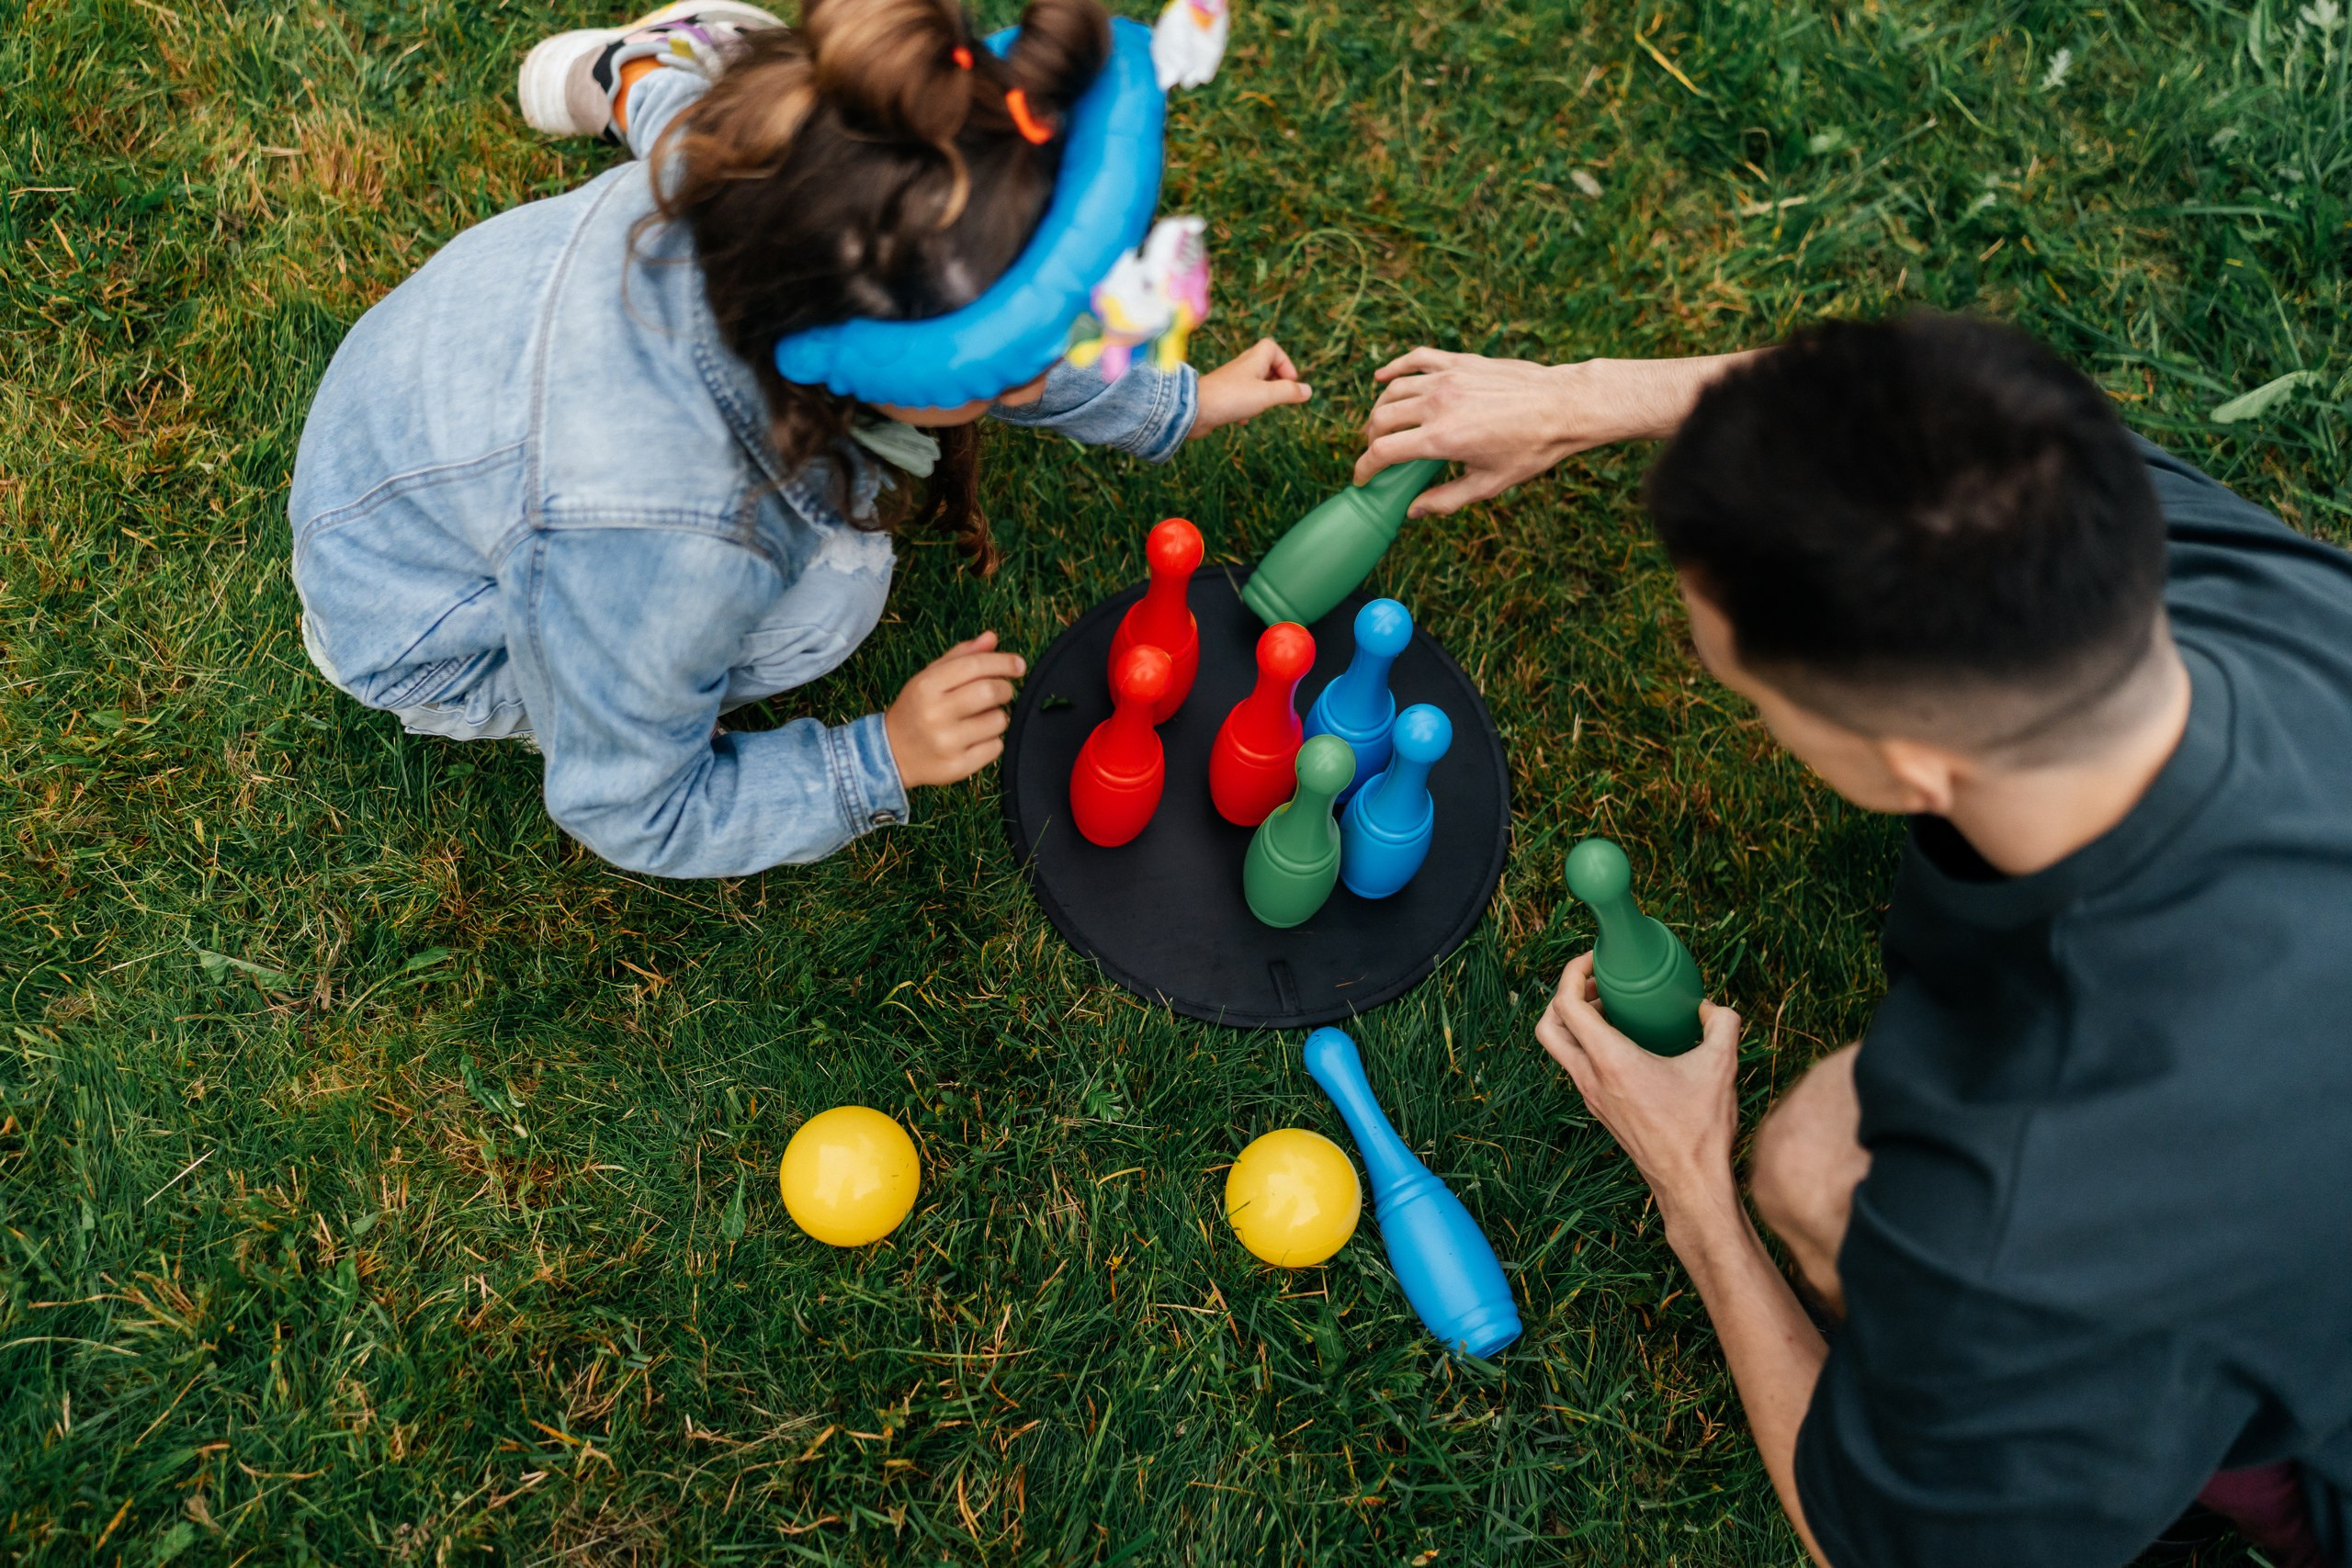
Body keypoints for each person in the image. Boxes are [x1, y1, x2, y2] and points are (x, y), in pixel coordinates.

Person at [1358, 317, 2352, 1567]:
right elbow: (1914, 422)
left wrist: (1697, 1188)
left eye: (1751, 694)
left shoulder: (2028, 1194)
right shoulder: (2214, 576)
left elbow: (1872, 1545)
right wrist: (1582, 393)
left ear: (1906, 766)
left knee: (1818, 1166)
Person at [289, 0, 1310, 877]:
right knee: (841, 589)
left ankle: (633, 58)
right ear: (888, 355)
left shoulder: (765, 163)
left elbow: (977, 304)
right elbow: (628, 805)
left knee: (709, 73)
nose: (1083, 344)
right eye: (1026, 360)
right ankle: (641, 56)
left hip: (418, 420)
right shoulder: (678, 536)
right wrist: (880, 758)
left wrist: (1172, 404)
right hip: (418, 626)